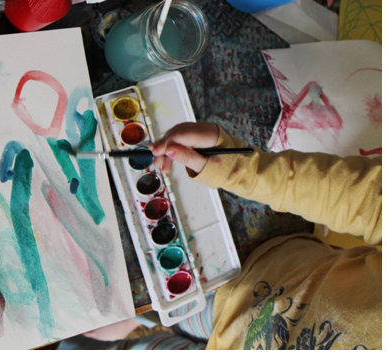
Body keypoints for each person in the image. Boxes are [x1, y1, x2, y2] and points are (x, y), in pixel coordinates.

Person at [58, 122, 381, 350]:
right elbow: (363, 197)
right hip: (250, 282)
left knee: (110, 347)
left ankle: (131, 334)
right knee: (170, 314)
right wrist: (234, 165)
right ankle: (145, 321)